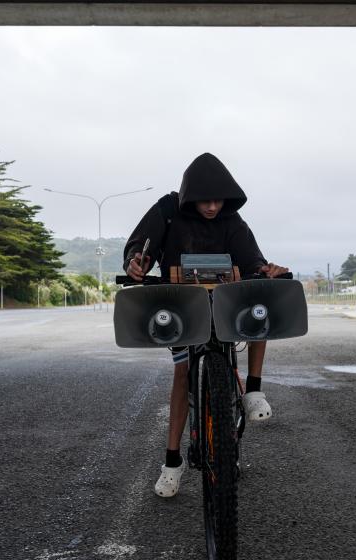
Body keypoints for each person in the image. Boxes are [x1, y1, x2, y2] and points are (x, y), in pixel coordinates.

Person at [123, 153, 288, 498]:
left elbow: (252, 260)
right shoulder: (168, 209)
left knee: (261, 302)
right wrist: (136, 263)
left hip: (224, 302)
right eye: (205, 200)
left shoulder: (231, 218)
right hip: (183, 305)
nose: (213, 207)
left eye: (219, 200)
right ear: (190, 195)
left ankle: (253, 391)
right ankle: (172, 462)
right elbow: (142, 246)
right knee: (182, 374)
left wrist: (266, 270)